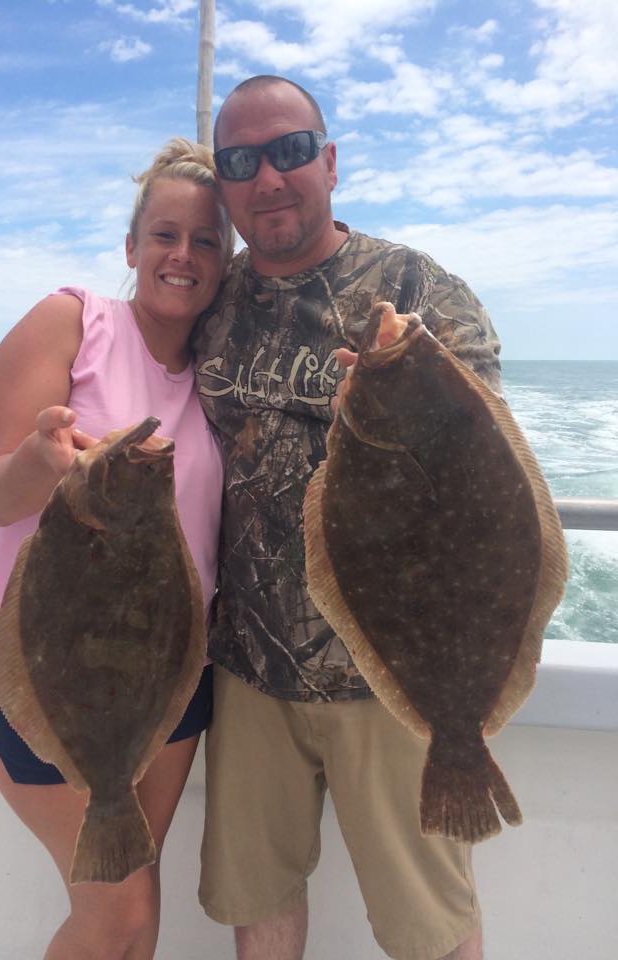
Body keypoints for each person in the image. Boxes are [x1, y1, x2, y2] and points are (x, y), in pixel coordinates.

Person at [191, 75, 503, 960]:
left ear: (329, 161)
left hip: (394, 674)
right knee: (260, 903)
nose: (270, 178)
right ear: (225, 185)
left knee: (429, 927)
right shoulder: (213, 300)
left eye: (290, 151)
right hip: (248, 668)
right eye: (242, 161)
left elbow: (484, 472)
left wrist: (402, 385)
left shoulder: (414, 289)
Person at [0, 138, 232, 960]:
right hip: (51, 655)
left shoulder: (220, 371)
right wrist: (43, 459)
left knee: (137, 913)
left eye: (207, 240)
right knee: (120, 913)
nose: (183, 255)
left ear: (225, 260)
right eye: (165, 235)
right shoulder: (72, 321)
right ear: (132, 247)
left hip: (173, 667)